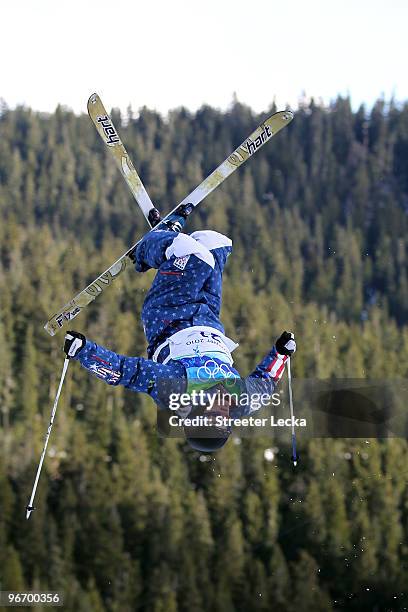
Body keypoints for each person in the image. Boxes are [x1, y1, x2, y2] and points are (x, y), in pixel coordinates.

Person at [64, 211, 296, 452]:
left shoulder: (176, 388)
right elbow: (266, 383)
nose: (221, 412)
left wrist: (84, 351)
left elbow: (126, 372)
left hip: (168, 313)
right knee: (217, 243)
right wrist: (281, 353)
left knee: (194, 255)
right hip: (206, 313)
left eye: (212, 417)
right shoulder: (240, 400)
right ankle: (170, 241)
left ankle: (147, 249)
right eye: (224, 421)